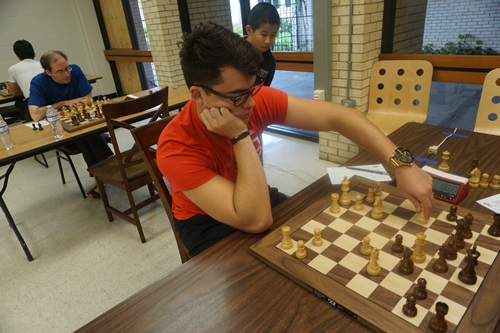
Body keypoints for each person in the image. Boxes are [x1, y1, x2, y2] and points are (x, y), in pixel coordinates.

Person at [156, 22, 434, 257]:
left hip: (255, 196)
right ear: (198, 95)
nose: (251, 104)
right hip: (205, 223)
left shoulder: (249, 100)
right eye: (237, 96)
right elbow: (256, 219)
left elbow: (340, 117)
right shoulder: (175, 146)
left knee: (322, 242)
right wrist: (239, 135)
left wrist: (402, 165)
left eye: (253, 89)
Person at [28, 50, 113, 198]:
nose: (67, 74)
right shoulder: (38, 82)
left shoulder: (76, 70)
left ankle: (103, 176)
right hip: (59, 129)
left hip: (80, 122)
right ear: (48, 72)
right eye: (60, 71)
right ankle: (112, 169)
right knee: (86, 135)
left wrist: (53, 107)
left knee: (84, 133)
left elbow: (88, 100)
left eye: (67, 68)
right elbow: (35, 115)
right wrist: (62, 103)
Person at [6, 40, 44, 121]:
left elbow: (14, 92)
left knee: (18, 103)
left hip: (34, 103)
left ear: (17, 56)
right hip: (52, 98)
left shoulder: (13, 69)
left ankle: (29, 121)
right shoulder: (43, 64)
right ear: (34, 53)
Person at [245, 2, 280, 86]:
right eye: (263, 34)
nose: (268, 41)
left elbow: (264, 91)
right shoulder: (234, 53)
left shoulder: (270, 62)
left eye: (273, 35)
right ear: (249, 30)